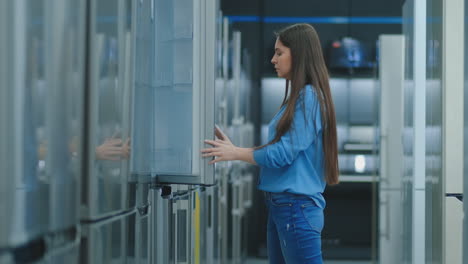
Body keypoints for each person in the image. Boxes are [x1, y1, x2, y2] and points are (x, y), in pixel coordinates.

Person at [201, 23, 339, 264]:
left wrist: (237, 153)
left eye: (279, 52)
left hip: (296, 208)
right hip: (283, 206)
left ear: (299, 55)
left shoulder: (309, 98)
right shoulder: (297, 99)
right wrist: (235, 151)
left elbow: (282, 154)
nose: (273, 59)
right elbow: (281, 149)